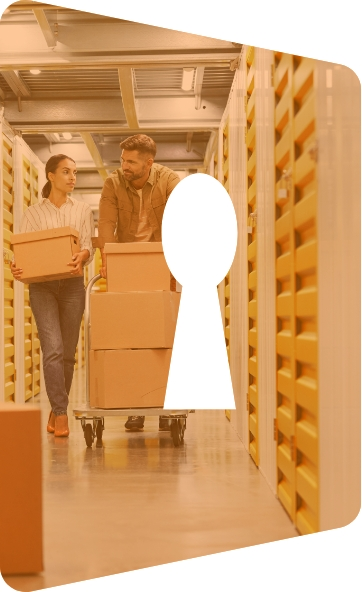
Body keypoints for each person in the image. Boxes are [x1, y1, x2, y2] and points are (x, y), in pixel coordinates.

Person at [97, 134, 180, 432]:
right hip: (128, 262)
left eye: (131, 161)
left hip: (161, 260)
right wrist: (107, 260)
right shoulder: (113, 183)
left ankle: (166, 405)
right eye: (122, 160)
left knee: (163, 340)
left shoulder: (168, 180)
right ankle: (136, 406)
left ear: (149, 162)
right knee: (131, 340)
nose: (124, 166)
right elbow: (106, 224)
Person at [11, 154, 95, 438]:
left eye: (74, 172)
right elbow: (25, 252)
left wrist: (83, 255)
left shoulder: (82, 210)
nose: (72, 177)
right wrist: (17, 266)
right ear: (50, 176)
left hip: (72, 286)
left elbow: (87, 246)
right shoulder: (34, 213)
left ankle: (56, 407)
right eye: (66, 172)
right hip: (43, 288)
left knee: (68, 355)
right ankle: (61, 414)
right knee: (54, 350)